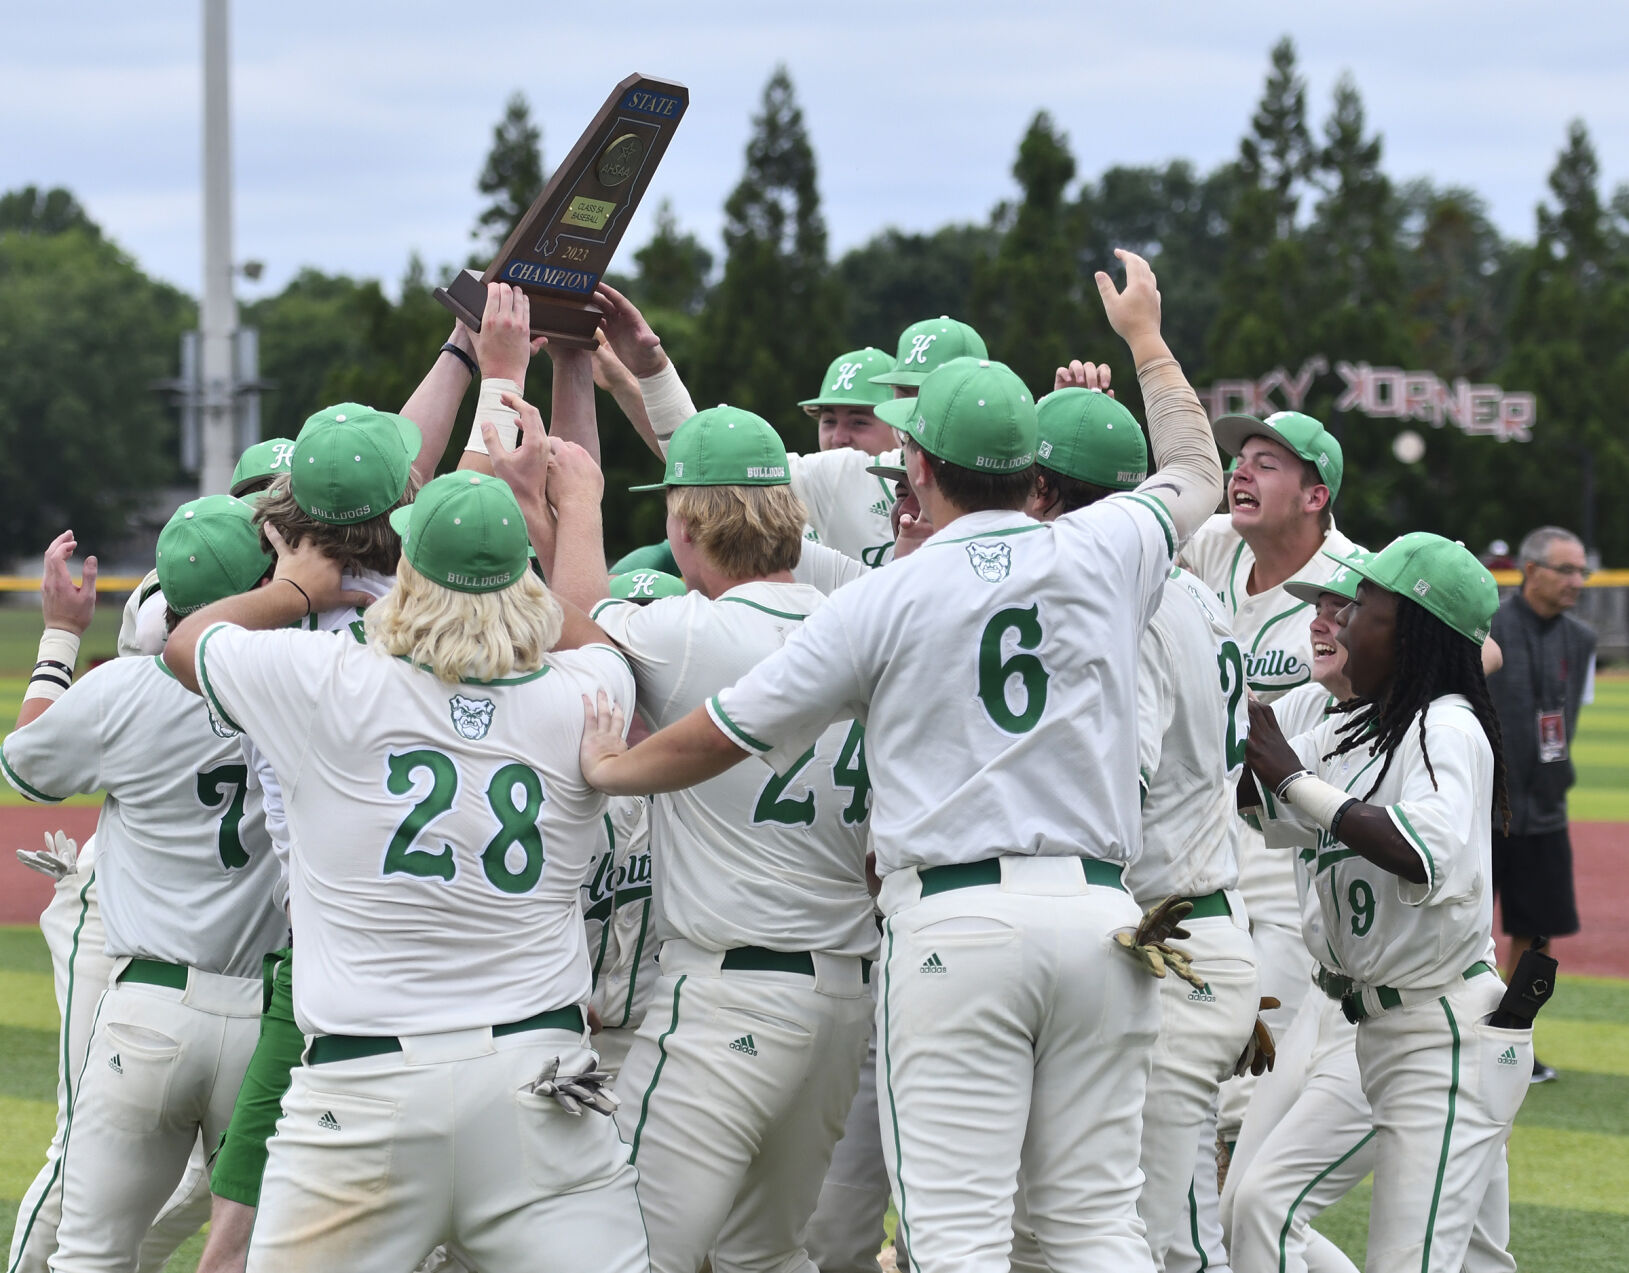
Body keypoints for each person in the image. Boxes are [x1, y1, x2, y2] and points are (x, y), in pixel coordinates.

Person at [577, 250, 1225, 1273]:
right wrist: (1145, 338)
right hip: (1106, 915)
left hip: (957, 922)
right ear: (1033, 468)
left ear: (916, 467)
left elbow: (732, 727)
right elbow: (1195, 467)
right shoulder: (1109, 546)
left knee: (956, 1236)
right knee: (1094, 1229)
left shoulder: (889, 590)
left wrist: (614, 770)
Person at [162, 469, 647, 1273]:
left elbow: (191, 641)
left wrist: (295, 586)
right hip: (539, 1080)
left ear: (408, 569)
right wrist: (511, 556)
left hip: (363, 1089)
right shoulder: (581, 692)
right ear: (520, 581)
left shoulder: (328, 679)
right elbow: (592, 636)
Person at [549, 403, 876, 1273]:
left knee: (628, 1249)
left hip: (730, 990)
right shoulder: (860, 621)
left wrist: (577, 499)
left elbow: (574, 621)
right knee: (765, 1255)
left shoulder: (690, 631)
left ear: (686, 526)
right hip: (845, 996)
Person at [2, 499, 288, 1273]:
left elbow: (27, 766)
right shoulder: (302, 680)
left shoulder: (125, 689)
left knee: (91, 1255)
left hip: (148, 1011)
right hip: (265, 1015)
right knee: (260, 1255)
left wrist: (61, 636)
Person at [1244, 532, 1526, 1273]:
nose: (1339, 621)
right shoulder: (1355, 729)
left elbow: (1419, 850)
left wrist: (1291, 779)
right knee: (1471, 1262)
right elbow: (1261, 806)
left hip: (1442, 1031)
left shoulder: (1446, 724)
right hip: (1385, 1028)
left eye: (1361, 605)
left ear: (1409, 629)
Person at [1178, 409, 1358, 1199]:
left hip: (1285, 862)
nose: (1240, 472)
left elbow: (1471, 647)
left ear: (1315, 495)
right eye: (1239, 458)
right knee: (1185, 1063)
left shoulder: (1351, 574)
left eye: (1267, 463)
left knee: (1257, 1081)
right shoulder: (1215, 543)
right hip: (1197, 845)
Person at [1485, 525, 1596, 1085]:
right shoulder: (1488, 629)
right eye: (1566, 570)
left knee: (1536, 933)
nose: (1578, 581)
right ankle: (1461, 1039)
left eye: (1582, 571)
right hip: (1484, 810)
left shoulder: (1581, 640)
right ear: (1531, 571)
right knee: (1469, 927)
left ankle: (1511, 1041)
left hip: (1546, 811)